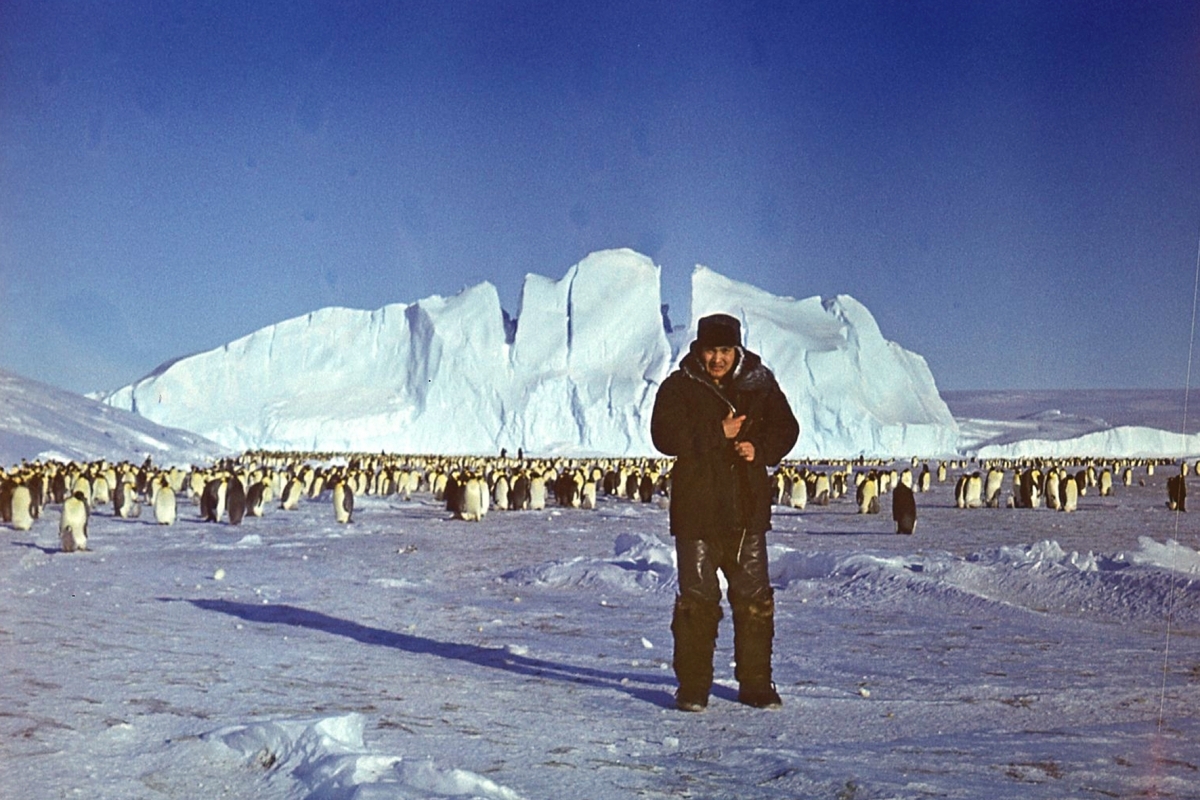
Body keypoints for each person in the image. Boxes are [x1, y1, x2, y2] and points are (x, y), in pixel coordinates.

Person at [651, 313, 799, 711]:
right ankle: (694, 686)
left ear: (737, 350)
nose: (718, 358)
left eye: (725, 350)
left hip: (745, 512)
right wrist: (719, 433)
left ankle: (755, 684)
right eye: (711, 350)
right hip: (697, 513)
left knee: (753, 601)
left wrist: (760, 450)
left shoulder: (760, 385)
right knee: (696, 602)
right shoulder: (679, 386)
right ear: (698, 350)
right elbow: (663, 436)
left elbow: (788, 429)